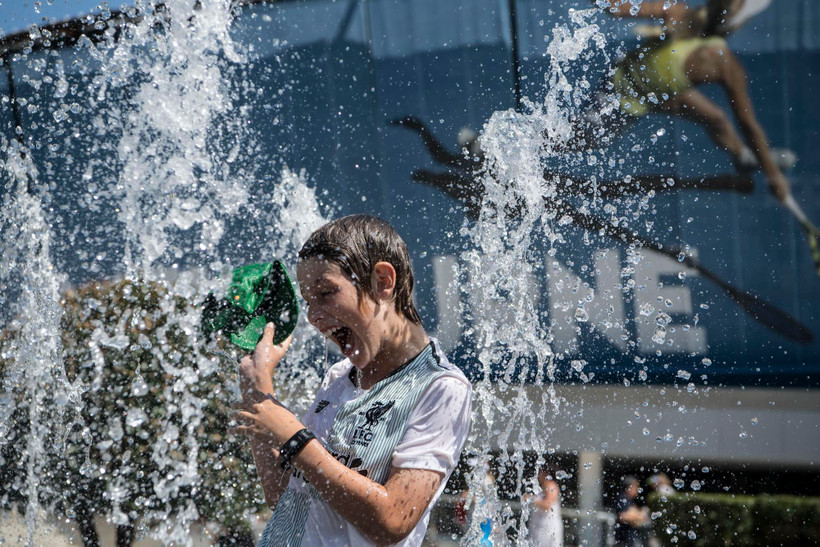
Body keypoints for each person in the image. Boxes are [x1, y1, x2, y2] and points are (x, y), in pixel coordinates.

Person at [230, 213, 473, 546]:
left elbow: (393, 519)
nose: (313, 317)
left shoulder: (440, 387)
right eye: (308, 301)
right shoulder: (339, 376)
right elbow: (286, 499)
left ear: (382, 281)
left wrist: (294, 437)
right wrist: (260, 393)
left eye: (326, 292)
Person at [594, 0, 820, 272]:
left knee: (717, 119)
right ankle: (748, 157)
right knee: (579, 141)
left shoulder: (677, 11)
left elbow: (618, 7)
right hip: (618, 102)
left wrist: (609, 4)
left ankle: (744, 157)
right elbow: (749, 127)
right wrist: (774, 177)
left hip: (644, 84)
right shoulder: (725, 64)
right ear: (737, 24)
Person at [526, 466, 563, 547]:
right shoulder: (542, 487)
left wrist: (532, 499)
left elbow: (547, 505)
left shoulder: (551, 486)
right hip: (539, 527)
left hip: (549, 529)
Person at [614, 475, 651, 547]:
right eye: (636, 487)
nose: (637, 489)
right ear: (629, 487)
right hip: (624, 539)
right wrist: (639, 515)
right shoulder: (623, 498)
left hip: (630, 538)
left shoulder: (629, 500)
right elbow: (623, 516)